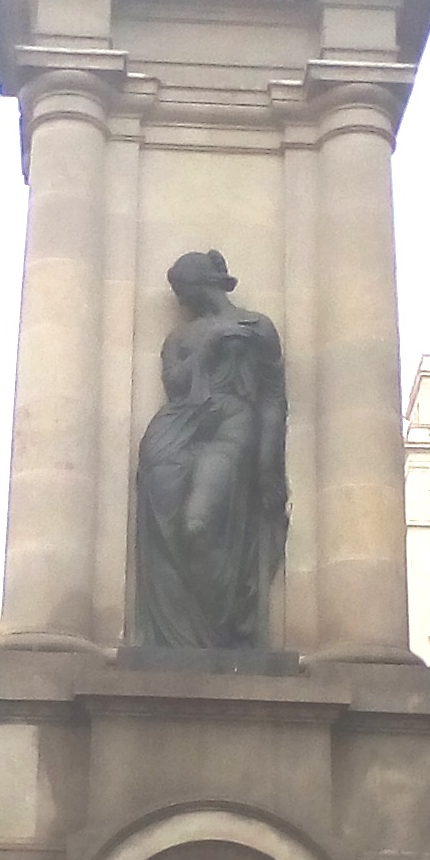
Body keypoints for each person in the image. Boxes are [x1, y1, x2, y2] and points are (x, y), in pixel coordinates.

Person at [133, 250, 288, 649]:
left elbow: (273, 397)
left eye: (183, 289)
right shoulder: (179, 338)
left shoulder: (257, 327)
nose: (180, 298)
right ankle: (180, 639)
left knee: (196, 524)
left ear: (203, 284)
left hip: (232, 423)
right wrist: (208, 347)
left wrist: (268, 461)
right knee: (167, 531)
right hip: (175, 430)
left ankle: (225, 627)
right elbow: (175, 384)